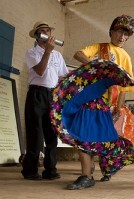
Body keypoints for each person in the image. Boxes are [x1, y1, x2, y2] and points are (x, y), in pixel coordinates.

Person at [67, 14, 134, 189]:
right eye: (120, 31)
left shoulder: (126, 57)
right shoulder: (100, 47)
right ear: (112, 31)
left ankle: (98, 169)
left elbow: (125, 86)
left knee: (101, 138)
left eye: (126, 34)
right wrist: (99, 66)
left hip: (108, 103)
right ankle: (86, 174)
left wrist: (119, 107)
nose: (123, 37)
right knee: (83, 132)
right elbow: (78, 54)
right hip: (89, 98)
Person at [21, 21, 68, 180]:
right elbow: (40, 71)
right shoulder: (31, 52)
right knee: (35, 132)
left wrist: (62, 95)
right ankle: (30, 170)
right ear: (37, 36)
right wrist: (47, 51)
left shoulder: (58, 55)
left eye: (48, 31)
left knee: (51, 133)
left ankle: (51, 170)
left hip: (52, 94)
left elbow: (63, 76)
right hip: (37, 93)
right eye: (42, 32)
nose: (46, 34)